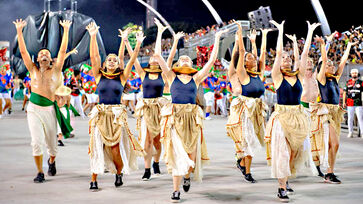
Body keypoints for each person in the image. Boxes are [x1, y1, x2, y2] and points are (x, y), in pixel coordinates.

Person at [154, 26, 228, 202]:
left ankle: (187, 177)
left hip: (192, 119)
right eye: (182, 59)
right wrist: (159, 31)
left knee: (190, 157)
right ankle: (175, 190)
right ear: (178, 64)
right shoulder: (171, 77)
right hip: (175, 118)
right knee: (177, 155)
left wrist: (216, 38)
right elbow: (158, 55)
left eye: (188, 59)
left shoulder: (196, 78)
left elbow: (211, 61)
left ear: (191, 63)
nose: (186, 60)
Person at [86, 22, 145, 190]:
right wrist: (92, 37)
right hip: (100, 115)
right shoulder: (99, 76)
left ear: (118, 64)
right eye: (108, 59)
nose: (111, 61)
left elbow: (132, 59)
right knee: (96, 147)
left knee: (115, 150)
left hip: (117, 117)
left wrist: (137, 43)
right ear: (104, 65)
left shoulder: (122, 77)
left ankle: (118, 173)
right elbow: (94, 57)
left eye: (114, 60)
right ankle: (93, 179)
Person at [13, 18, 73, 183]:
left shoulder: (56, 69)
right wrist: (19, 31)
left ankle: (51, 161)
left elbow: (62, 51)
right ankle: (40, 172)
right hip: (33, 109)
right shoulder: (32, 69)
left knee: (52, 147)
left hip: (50, 110)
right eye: (41, 54)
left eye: (47, 53)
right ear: (37, 59)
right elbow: (24, 52)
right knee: (36, 142)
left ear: (50, 58)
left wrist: (66, 30)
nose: (44, 55)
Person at [126, 19, 185, 181]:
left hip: (160, 108)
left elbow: (167, 55)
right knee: (146, 140)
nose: (153, 58)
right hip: (146, 108)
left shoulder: (163, 75)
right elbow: (133, 58)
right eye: (151, 58)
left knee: (158, 140)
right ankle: (146, 169)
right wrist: (126, 41)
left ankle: (156, 163)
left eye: (155, 58)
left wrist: (160, 33)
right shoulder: (143, 73)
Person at [264, 20, 317, 202]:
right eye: (284, 58)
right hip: (283, 117)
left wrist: (309, 31)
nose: (286, 59)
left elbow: (304, 54)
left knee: (294, 153)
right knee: (283, 152)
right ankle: (281, 187)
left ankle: (285, 180)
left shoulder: (300, 75)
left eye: (289, 58)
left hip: (298, 116)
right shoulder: (277, 77)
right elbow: (278, 53)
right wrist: (280, 31)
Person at [226, 23, 270, 183]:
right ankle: (248, 172)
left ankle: (241, 162)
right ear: (243, 63)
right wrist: (239, 35)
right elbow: (241, 53)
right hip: (243, 111)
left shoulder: (258, 74)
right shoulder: (240, 74)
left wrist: (260, 37)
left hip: (256, 111)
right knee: (248, 141)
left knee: (251, 141)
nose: (253, 58)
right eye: (249, 58)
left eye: (253, 57)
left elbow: (262, 54)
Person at [311, 36, 357, 184]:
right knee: (334, 143)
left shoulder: (334, 78)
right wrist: (324, 45)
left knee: (333, 144)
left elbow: (343, 62)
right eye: (329, 65)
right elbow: (323, 61)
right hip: (326, 113)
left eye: (332, 64)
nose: (331, 66)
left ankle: (330, 172)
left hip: (335, 112)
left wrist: (349, 45)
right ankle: (328, 172)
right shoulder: (322, 79)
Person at [343, 68, 363, 138]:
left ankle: (362, 133)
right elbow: (344, 92)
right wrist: (343, 102)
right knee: (350, 118)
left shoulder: (361, 82)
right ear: (351, 74)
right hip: (350, 103)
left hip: (358, 103)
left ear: (357, 74)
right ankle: (350, 132)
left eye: (355, 73)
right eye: (353, 73)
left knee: (360, 118)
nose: (354, 74)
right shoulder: (348, 82)